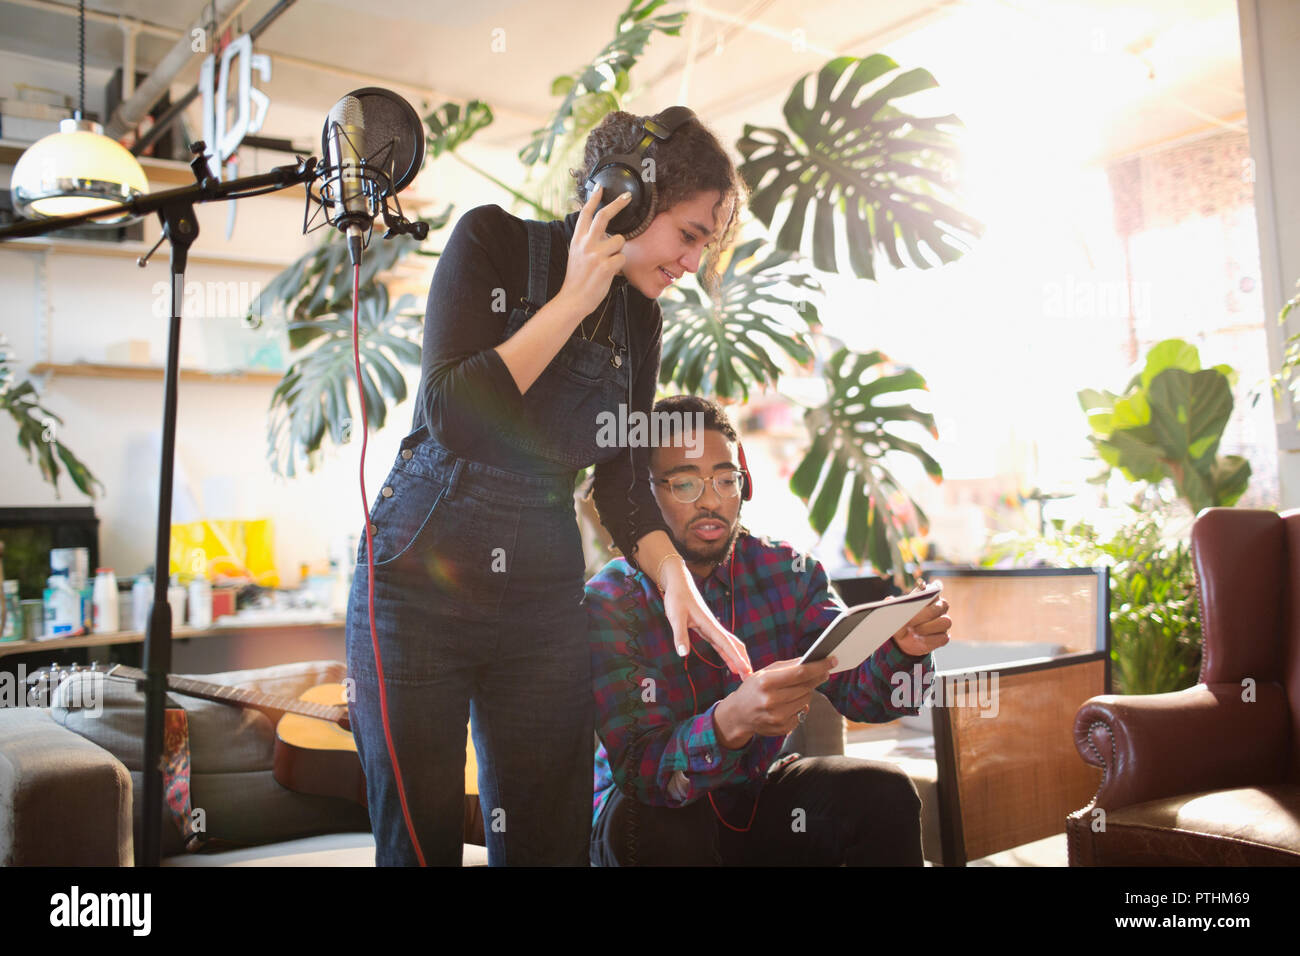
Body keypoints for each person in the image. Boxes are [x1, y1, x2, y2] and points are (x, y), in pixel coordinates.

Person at [345, 109, 753, 866]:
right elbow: (455, 415)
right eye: (691, 234)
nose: (694, 261)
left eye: (706, 243)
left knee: (547, 842)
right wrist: (572, 298)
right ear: (627, 198)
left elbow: (625, 485)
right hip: (414, 586)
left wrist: (677, 587)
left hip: (538, 595)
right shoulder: (492, 243)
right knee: (419, 846)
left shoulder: (640, 320)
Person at [586, 395, 953, 866]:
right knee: (666, 827)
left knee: (883, 792)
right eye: (684, 484)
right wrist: (728, 724)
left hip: (754, 798)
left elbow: (870, 699)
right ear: (644, 498)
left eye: (725, 479)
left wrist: (905, 651)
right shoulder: (611, 600)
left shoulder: (788, 572)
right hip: (643, 814)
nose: (712, 500)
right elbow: (644, 774)